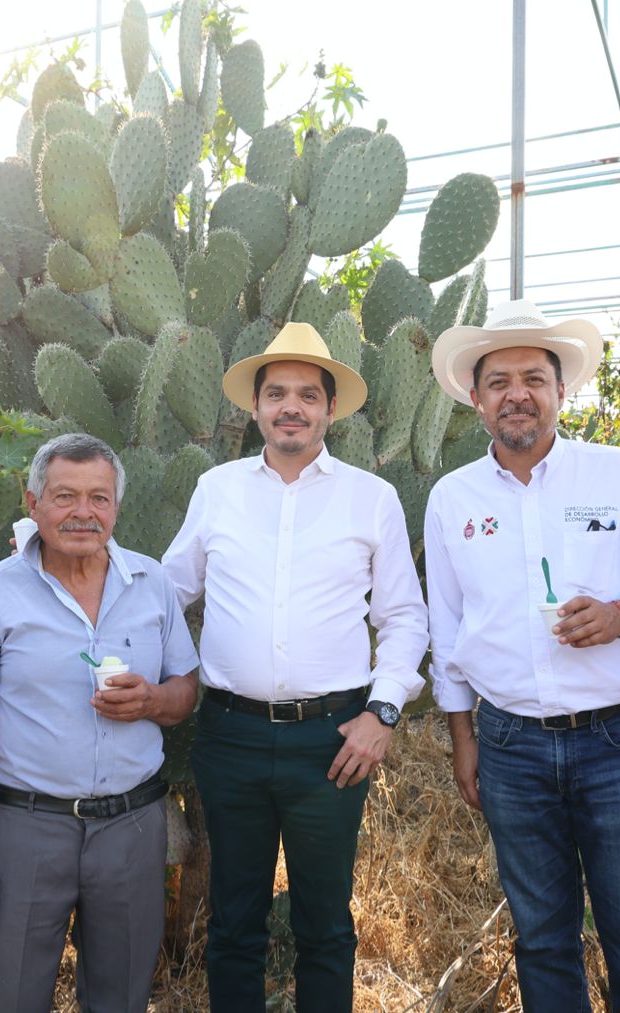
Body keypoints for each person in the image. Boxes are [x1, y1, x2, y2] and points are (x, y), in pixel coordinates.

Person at [423, 301, 620, 1011]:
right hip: (509, 744)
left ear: (561, 391)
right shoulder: (453, 498)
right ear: (476, 398)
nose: (517, 394)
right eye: (499, 381)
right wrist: (463, 738)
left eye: (534, 379)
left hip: (615, 742)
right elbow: (447, 627)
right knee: (542, 940)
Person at [161, 321, 429, 1011]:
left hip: (332, 741)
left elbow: (404, 618)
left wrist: (382, 713)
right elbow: (166, 592)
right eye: (276, 392)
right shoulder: (216, 489)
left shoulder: (371, 497)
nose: (291, 407)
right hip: (231, 737)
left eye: (308, 394)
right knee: (234, 925)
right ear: (255, 406)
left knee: (326, 925)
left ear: (330, 409)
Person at [0, 432, 199, 1013]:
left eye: (98, 498)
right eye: (65, 496)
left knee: (121, 998)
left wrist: (152, 701)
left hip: (133, 828)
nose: (83, 512)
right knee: (6, 999)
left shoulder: (152, 585)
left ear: (117, 507)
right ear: (33, 504)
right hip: (29, 829)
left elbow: (185, 691)